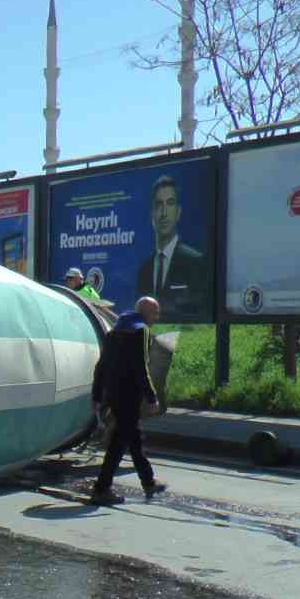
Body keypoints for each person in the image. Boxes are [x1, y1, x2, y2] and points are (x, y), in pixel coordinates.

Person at [89, 296, 166, 505]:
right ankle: (101, 489)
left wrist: (97, 395)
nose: (157, 317)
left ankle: (148, 481)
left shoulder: (114, 331)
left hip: (112, 393)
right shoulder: (141, 331)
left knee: (133, 438)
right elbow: (141, 366)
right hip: (129, 394)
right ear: (145, 312)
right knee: (120, 442)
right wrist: (151, 395)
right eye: (155, 312)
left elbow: (101, 365)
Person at [135, 175, 210, 316]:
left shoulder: (196, 262)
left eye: (170, 203)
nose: (164, 213)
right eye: (158, 204)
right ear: (152, 214)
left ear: (178, 212)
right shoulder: (144, 270)